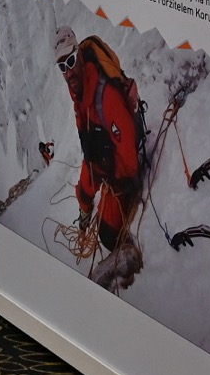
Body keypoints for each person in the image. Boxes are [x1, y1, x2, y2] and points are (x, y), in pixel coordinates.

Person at [55, 23, 145, 252]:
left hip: (122, 172)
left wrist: (120, 186)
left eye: (71, 61)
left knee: (108, 235)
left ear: (79, 55)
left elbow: (127, 152)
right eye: (62, 66)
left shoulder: (106, 97)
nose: (68, 72)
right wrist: (85, 201)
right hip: (107, 163)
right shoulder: (80, 99)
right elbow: (90, 152)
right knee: (94, 210)